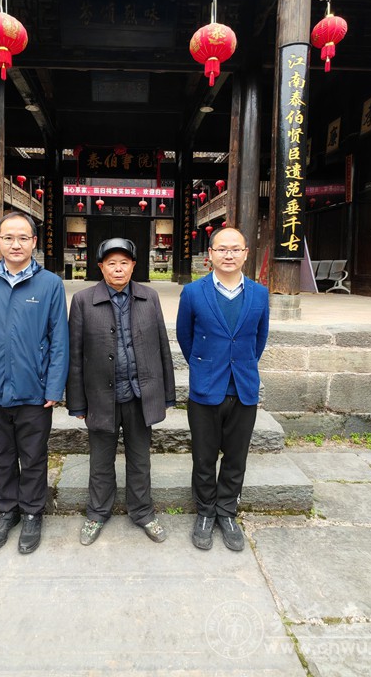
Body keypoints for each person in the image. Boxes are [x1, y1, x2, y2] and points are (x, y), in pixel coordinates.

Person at [0, 211, 68, 554]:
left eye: (23, 238)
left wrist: (54, 387)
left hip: (34, 388)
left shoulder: (50, 284)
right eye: (8, 237)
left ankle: (33, 512)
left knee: (33, 456)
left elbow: (59, 341)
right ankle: (7, 510)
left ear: (34, 242)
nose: (16, 244)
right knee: (1, 455)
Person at [66, 237, 176, 546]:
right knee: (100, 461)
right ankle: (97, 513)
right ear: (101, 267)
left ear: (133, 266)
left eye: (124, 263)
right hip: (101, 397)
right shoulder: (83, 301)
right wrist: (77, 402)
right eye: (111, 263)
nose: (118, 269)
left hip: (141, 395)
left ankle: (143, 512)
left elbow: (162, 346)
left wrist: (166, 394)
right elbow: (75, 355)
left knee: (140, 460)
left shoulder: (149, 297)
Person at [176, 226, 269, 552]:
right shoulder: (193, 293)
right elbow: (185, 337)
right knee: (203, 456)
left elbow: (259, 339)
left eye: (235, 249)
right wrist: (205, 365)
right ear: (210, 254)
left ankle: (227, 511)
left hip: (243, 387)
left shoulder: (259, 294)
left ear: (245, 253)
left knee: (236, 456)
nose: (228, 255)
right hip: (206, 387)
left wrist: (240, 363)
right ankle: (205, 512)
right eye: (222, 249)